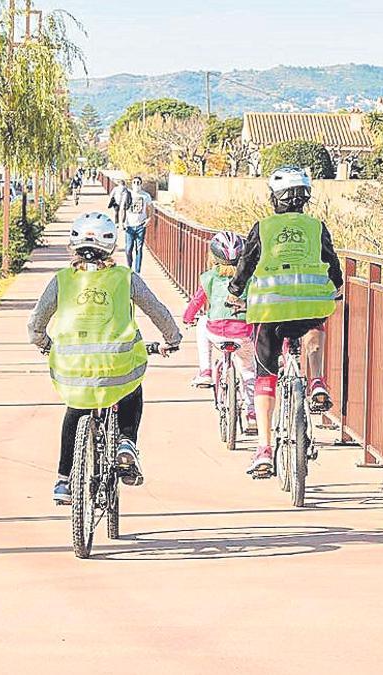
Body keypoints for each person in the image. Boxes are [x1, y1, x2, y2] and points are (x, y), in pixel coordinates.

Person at [28, 211, 182, 504]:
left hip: (72, 369)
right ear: (110, 246)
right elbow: (157, 310)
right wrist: (172, 339)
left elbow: (36, 323)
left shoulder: (61, 281)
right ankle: (126, 442)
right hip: (116, 367)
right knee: (131, 389)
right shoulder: (126, 278)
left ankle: (63, 481)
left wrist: (45, 344)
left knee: (75, 409)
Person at [227, 166, 343, 477]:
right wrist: (338, 288)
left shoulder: (263, 228)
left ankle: (264, 448)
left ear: (274, 198)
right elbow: (332, 262)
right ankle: (316, 381)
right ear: (305, 199)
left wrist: (234, 291)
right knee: (315, 323)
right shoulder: (316, 227)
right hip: (311, 305)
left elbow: (246, 263)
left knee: (265, 375)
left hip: (269, 311)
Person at [183, 231, 257, 428]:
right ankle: (251, 414)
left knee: (202, 322)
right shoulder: (250, 278)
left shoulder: (209, 277)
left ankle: (205, 370)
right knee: (248, 370)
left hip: (216, 333)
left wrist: (187, 318)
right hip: (243, 334)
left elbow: (197, 302)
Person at [122, 176, 153, 272]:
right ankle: (129, 267)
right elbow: (122, 209)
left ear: (141, 184)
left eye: (138, 182)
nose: (136, 184)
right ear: (132, 184)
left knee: (139, 248)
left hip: (140, 225)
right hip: (129, 226)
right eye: (134, 182)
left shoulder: (146, 196)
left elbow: (151, 207)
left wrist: (149, 219)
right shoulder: (127, 194)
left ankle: (137, 270)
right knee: (128, 249)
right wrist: (122, 222)